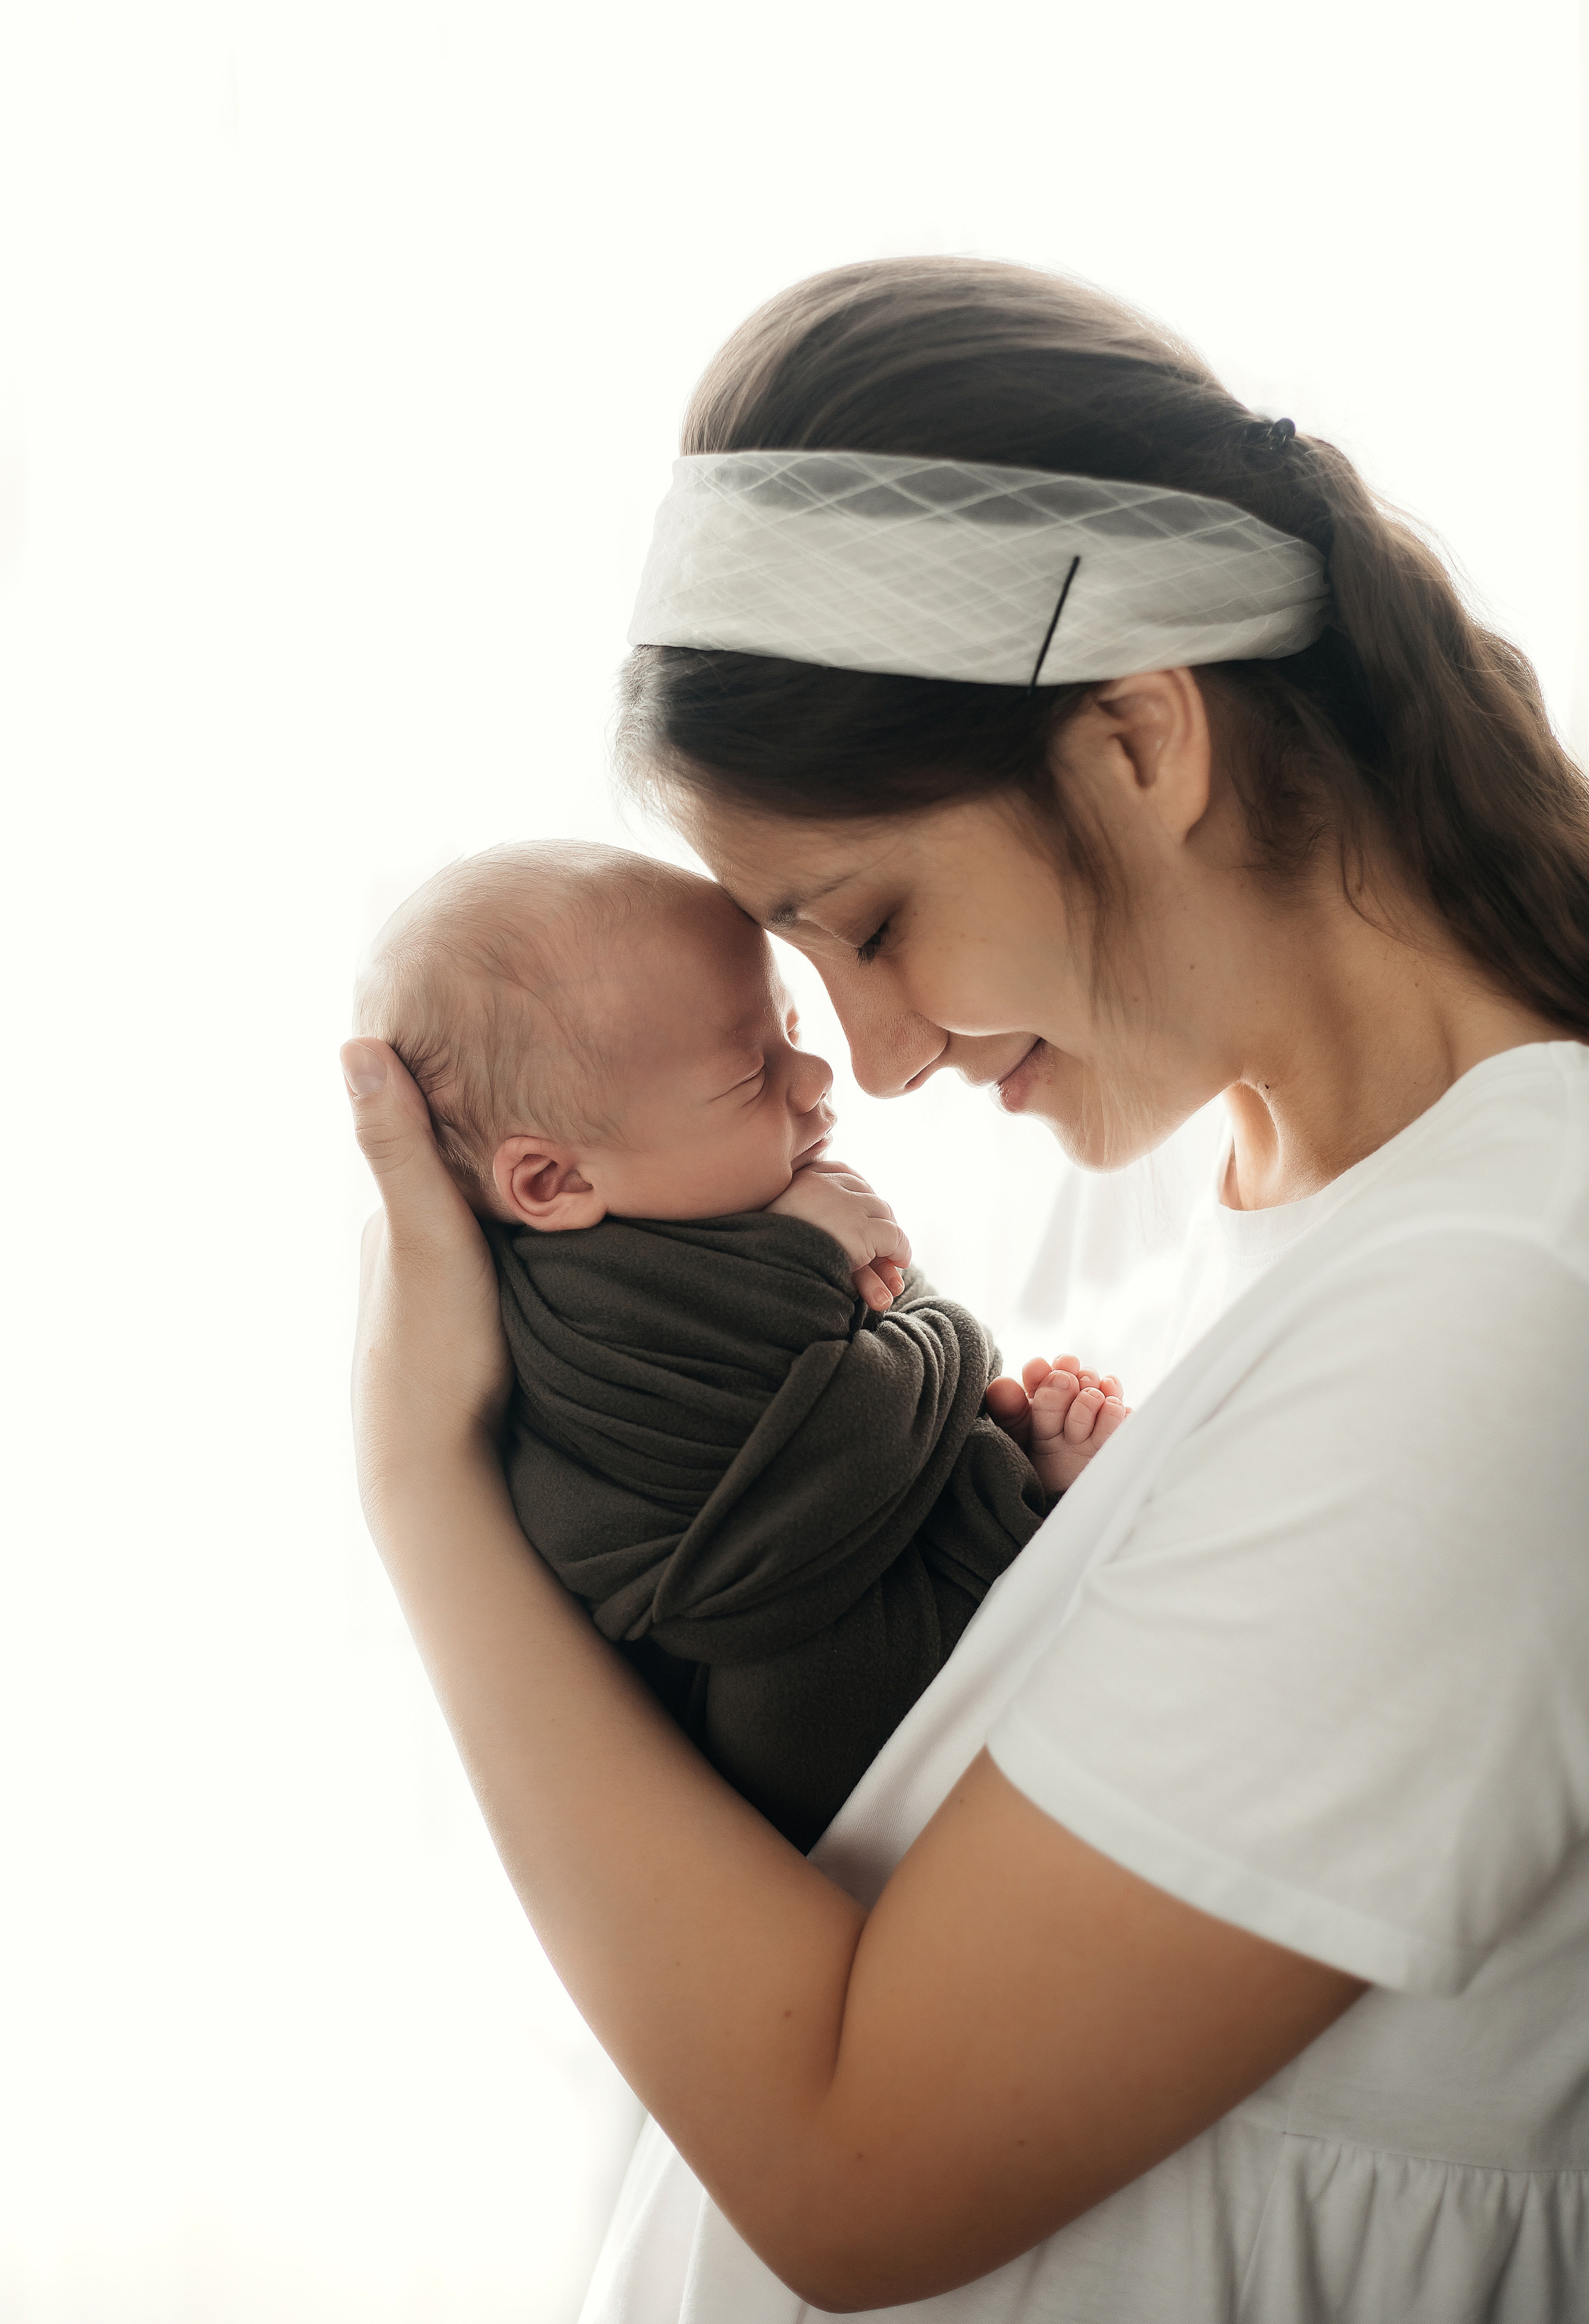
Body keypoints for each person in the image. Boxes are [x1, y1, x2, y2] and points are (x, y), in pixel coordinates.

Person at [343, 259, 1589, 2320]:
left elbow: (854, 2172)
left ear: (1136, 736)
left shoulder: (1506, 1298)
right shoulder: (1184, 1199)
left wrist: (419, 1488)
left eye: (879, 922)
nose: (880, 1061)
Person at [351, 840, 1122, 1852]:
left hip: (834, 1581)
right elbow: (814, 1460)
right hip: (796, 1727)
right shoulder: (590, 1309)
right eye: (751, 1072)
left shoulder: (724, 1219)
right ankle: (1033, 1515)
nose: (815, 1077)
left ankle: (1030, 1505)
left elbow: (860, 1382)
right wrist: (925, 1333)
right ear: (552, 1184)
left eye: (791, 1026)